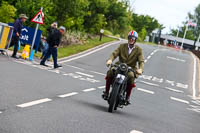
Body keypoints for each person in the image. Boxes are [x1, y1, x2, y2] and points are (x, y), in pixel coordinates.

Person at [102, 30, 144, 104]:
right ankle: (106, 92)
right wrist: (110, 60)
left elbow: (141, 61)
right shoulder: (122, 46)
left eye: (133, 38)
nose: (131, 39)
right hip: (119, 65)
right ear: (128, 38)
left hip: (131, 68)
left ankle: (127, 97)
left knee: (131, 76)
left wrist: (140, 69)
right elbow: (114, 54)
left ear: (135, 40)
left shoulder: (139, 50)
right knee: (110, 72)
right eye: (130, 38)